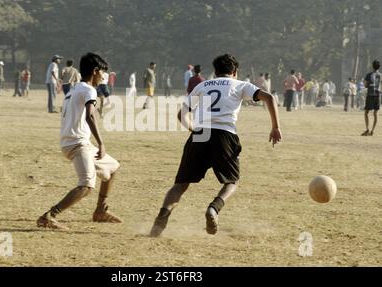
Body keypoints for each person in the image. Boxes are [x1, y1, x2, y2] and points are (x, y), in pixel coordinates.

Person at [150, 54, 282, 237]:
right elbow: (269, 98)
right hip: (225, 135)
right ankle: (214, 208)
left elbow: (182, 115)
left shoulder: (202, 85)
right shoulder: (239, 85)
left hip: (200, 134)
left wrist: (194, 130)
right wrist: (275, 127)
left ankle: (159, 224)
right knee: (232, 182)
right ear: (234, 71)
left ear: (215, 71)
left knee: (180, 184)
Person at [37, 52, 121, 230]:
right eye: (103, 72)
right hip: (77, 144)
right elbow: (91, 116)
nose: (104, 76)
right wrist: (101, 143)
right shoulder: (89, 90)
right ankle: (49, 216)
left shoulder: (75, 88)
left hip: (75, 142)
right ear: (95, 71)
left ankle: (100, 211)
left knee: (112, 168)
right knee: (86, 185)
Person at [361, 60, 381, 136]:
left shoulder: (369, 74)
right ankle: (372, 130)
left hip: (370, 95)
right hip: (377, 95)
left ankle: (367, 129)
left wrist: (367, 84)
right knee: (375, 113)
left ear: (372, 66)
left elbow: (365, 85)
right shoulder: (381, 75)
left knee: (366, 112)